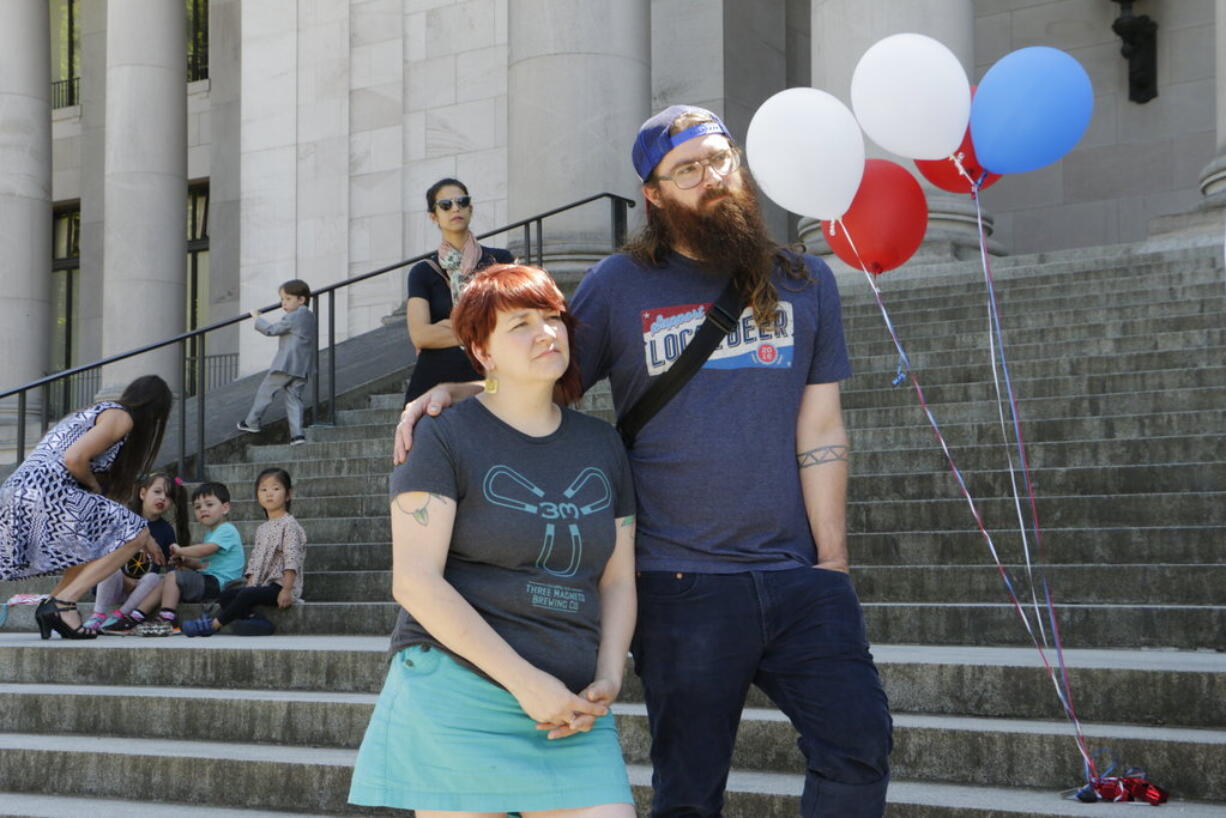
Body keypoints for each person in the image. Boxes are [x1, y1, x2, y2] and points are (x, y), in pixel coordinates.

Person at [393, 105, 893, 817]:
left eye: (721, 159)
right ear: (654, 195)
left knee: (859, 743)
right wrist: (461, 386)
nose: (712, 178)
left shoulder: (805, 280)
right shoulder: (618, 285)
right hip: (680, 582)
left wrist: (833, 565)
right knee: (689, 788)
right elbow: (548, 375)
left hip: (798, 579)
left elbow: (820, 425)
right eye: (686, 169)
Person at [350, 264, 637, 817]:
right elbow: (414, 581)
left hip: (571, 704)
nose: (548, 333)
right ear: (481, 351)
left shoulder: (603, 445)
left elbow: (618, 577)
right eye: (521, 324)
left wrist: (609, 673)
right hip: (460, 693)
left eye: (553, 317)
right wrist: (526, 683)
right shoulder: (443, 435)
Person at [0, 374, 172, 639]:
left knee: (89, 542)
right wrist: (94, 488)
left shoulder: (94, 412)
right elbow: (75, 458)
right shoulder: (121, 416)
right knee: (137, 531)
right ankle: (64, 603)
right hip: (49, 489)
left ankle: (52, 605)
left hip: (22, 489)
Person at [403, 178, 514, 404]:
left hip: (489, 381)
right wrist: (481, 329)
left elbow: (510, 323)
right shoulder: (423, 272)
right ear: (433, 216)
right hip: (432, 382)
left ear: (470, 209)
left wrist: (447, 327)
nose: (455, 208)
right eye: (445, 204)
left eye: (462, 202)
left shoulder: (500, 261)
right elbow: (420, 335)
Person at [181, 467, 306, 637]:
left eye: (276, 489)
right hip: (263, 585)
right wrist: (249, 586)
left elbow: (292, 559)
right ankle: (256, 621)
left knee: (247, 594)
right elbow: (255, 563)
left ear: (288, 494)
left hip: (281, 586)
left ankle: (213, 625)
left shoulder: (289, 525)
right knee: (226, 595)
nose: (269, 494)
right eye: (263, 490)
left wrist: (287, 590)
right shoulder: (263, 528)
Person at [88, 472, 191, 634]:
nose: (163, 498)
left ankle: (121, 615)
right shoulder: (125, 520)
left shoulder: (166, 530)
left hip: (140, 592)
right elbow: (108, 553)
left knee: (154, 577)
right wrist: (126, 577)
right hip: (114, 586)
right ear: (143, 493)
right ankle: (98, 615)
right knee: (110, 569)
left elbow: (169, 565)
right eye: (157, 492)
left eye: (168, 496)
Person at [142, 481, 244, 632]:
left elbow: (204, 551)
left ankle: (168, 618)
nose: (203, 509)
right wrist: (186, 562)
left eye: (209, 505)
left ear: (225, 508)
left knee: (172, 576)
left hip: (221, 584)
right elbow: (204, 565)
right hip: (210, 581)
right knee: (167, 580)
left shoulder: (227, 529)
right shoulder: (211, 533)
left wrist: (181, 550)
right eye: (197, 507)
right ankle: (138, 613)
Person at [238, 279, 317, 445]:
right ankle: (297, 435)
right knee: (294, 398)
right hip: (303, 366)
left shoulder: (295, 316)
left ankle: (252, 422)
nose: (283, 303)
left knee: (266, 391)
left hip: (287, 364)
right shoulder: (309, 316)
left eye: (288, 299)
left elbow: (271, 330)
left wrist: (257, 318)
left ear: (301, 300)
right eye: (282, 299)